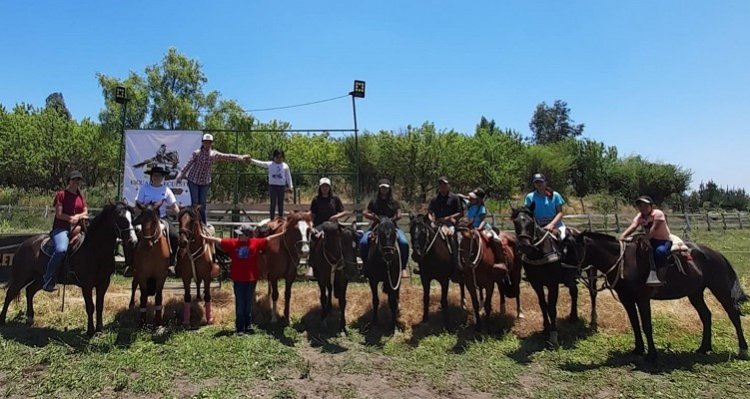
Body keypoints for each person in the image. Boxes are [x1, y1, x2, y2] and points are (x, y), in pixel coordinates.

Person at [202, 225, 283, 335]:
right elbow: (218, 240)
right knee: (240, 303)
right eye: (239, 234)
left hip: (251, 279)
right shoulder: (233, 243)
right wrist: (204, 237)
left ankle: (248, 325)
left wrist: (283, 233)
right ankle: (240, 327)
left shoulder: (255, 242)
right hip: (238, 279)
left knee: (248, 303)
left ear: (247, 236)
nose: (239, 235)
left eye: (241, 234)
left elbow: (269, 238)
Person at [175, 133, 248, 224]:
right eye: (205, 142)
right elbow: (188, 164)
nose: (207, 144)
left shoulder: (214, 154)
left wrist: (240, 157)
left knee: (202, 205)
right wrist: (181, 174)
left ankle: (203, 225)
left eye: (209, 142)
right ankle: (194, 224)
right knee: (195, 204)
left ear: (211, 143)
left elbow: (227, 156)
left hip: (205, 182)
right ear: (202, 142)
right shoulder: (197, 153)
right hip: (193, 180)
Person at [43, 170, 89, 292]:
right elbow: (58, 214)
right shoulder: (61, 195)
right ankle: (48, 278)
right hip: (61, 228)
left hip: (78, 228)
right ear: (69, 181)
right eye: (74, 180)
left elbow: (85, 211)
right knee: (61, 249)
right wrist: (70, 219)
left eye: (78, 180)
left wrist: (78, 217)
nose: (76, 182)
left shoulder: (80, 196)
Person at [132, 165, 180, 271]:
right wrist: (137, 213)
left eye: (159, 175)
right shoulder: (144, 188)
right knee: (132, 235)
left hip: (161, 217)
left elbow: (173, 206)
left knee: (174, 236)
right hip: (145, 218)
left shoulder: (166, 190)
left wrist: (180, 216)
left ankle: (171, 263)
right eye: (154, 175)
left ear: (163, 177)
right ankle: (131, 264)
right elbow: (138, 204)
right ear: (151, 176)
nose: (157, 177)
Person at [619, 195, 673, 287]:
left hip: (662, 240)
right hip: (649, 239)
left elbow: (654, 229)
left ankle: (661, 276)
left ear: (651, 206)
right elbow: (633, 226)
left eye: (645, 205)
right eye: (640, 206)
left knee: (660, 251)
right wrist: (623, 236)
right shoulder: (640, 216)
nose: (642, 208)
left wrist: (646, 238)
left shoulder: (658, 214)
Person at [360, 178, 410, 276]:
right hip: (376, 227)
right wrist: (373, 217)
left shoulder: (394, 202)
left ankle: (403, 268)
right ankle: (365, 266)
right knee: (363, 242)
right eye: (382, 188)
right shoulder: (374, 201)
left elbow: (399, 214)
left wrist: (392, 220)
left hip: (392, 228)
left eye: (386, 188)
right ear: (379, 189)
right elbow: (365, 212)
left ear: (389, 189)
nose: (384, 190)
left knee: (404, 243)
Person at [425, 177, 463, 273]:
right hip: (437, 223)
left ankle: (456, 263)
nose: (442, 186)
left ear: (448, 185)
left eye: (444, 184)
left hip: (450, 223)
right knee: (426, 237)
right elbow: (430, 211)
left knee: (453, 239)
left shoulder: (454, 198)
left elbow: (460, 212)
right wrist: (431, 219)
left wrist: (449, 217)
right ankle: (423, 264)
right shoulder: (434, 199)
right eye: (440, 184)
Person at [465, 188, 507, 272]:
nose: (471, 199)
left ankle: (500, 261)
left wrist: (479, 228)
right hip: (470, 228)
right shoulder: (470, 206)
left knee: (495, 239)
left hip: (482, 227)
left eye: (474, 197)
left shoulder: (481, 208)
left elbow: (483, 220)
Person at [248, 149, 294, 220]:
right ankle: (272, 218)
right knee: (273, 203)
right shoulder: (270, 164)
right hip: (272, 186)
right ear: (274, 157)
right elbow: (260, 163)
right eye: (277, 157)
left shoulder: (285, 166)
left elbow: (288, 176)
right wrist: (251, 160)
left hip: (281, 186)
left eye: (281, 157)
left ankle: (280, 218)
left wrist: (290, 186)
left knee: (280, 203)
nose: (279, 159)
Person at [524, 173, 567, 239]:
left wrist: (551, 224)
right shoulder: (529, 197)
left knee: (563, 237)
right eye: (536, 182)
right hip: (538, 225)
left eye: (541, 182)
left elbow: (560, 213)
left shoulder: (555, 195)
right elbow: (528, 214)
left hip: (556, 224)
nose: (539, 184)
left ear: (545, 182)